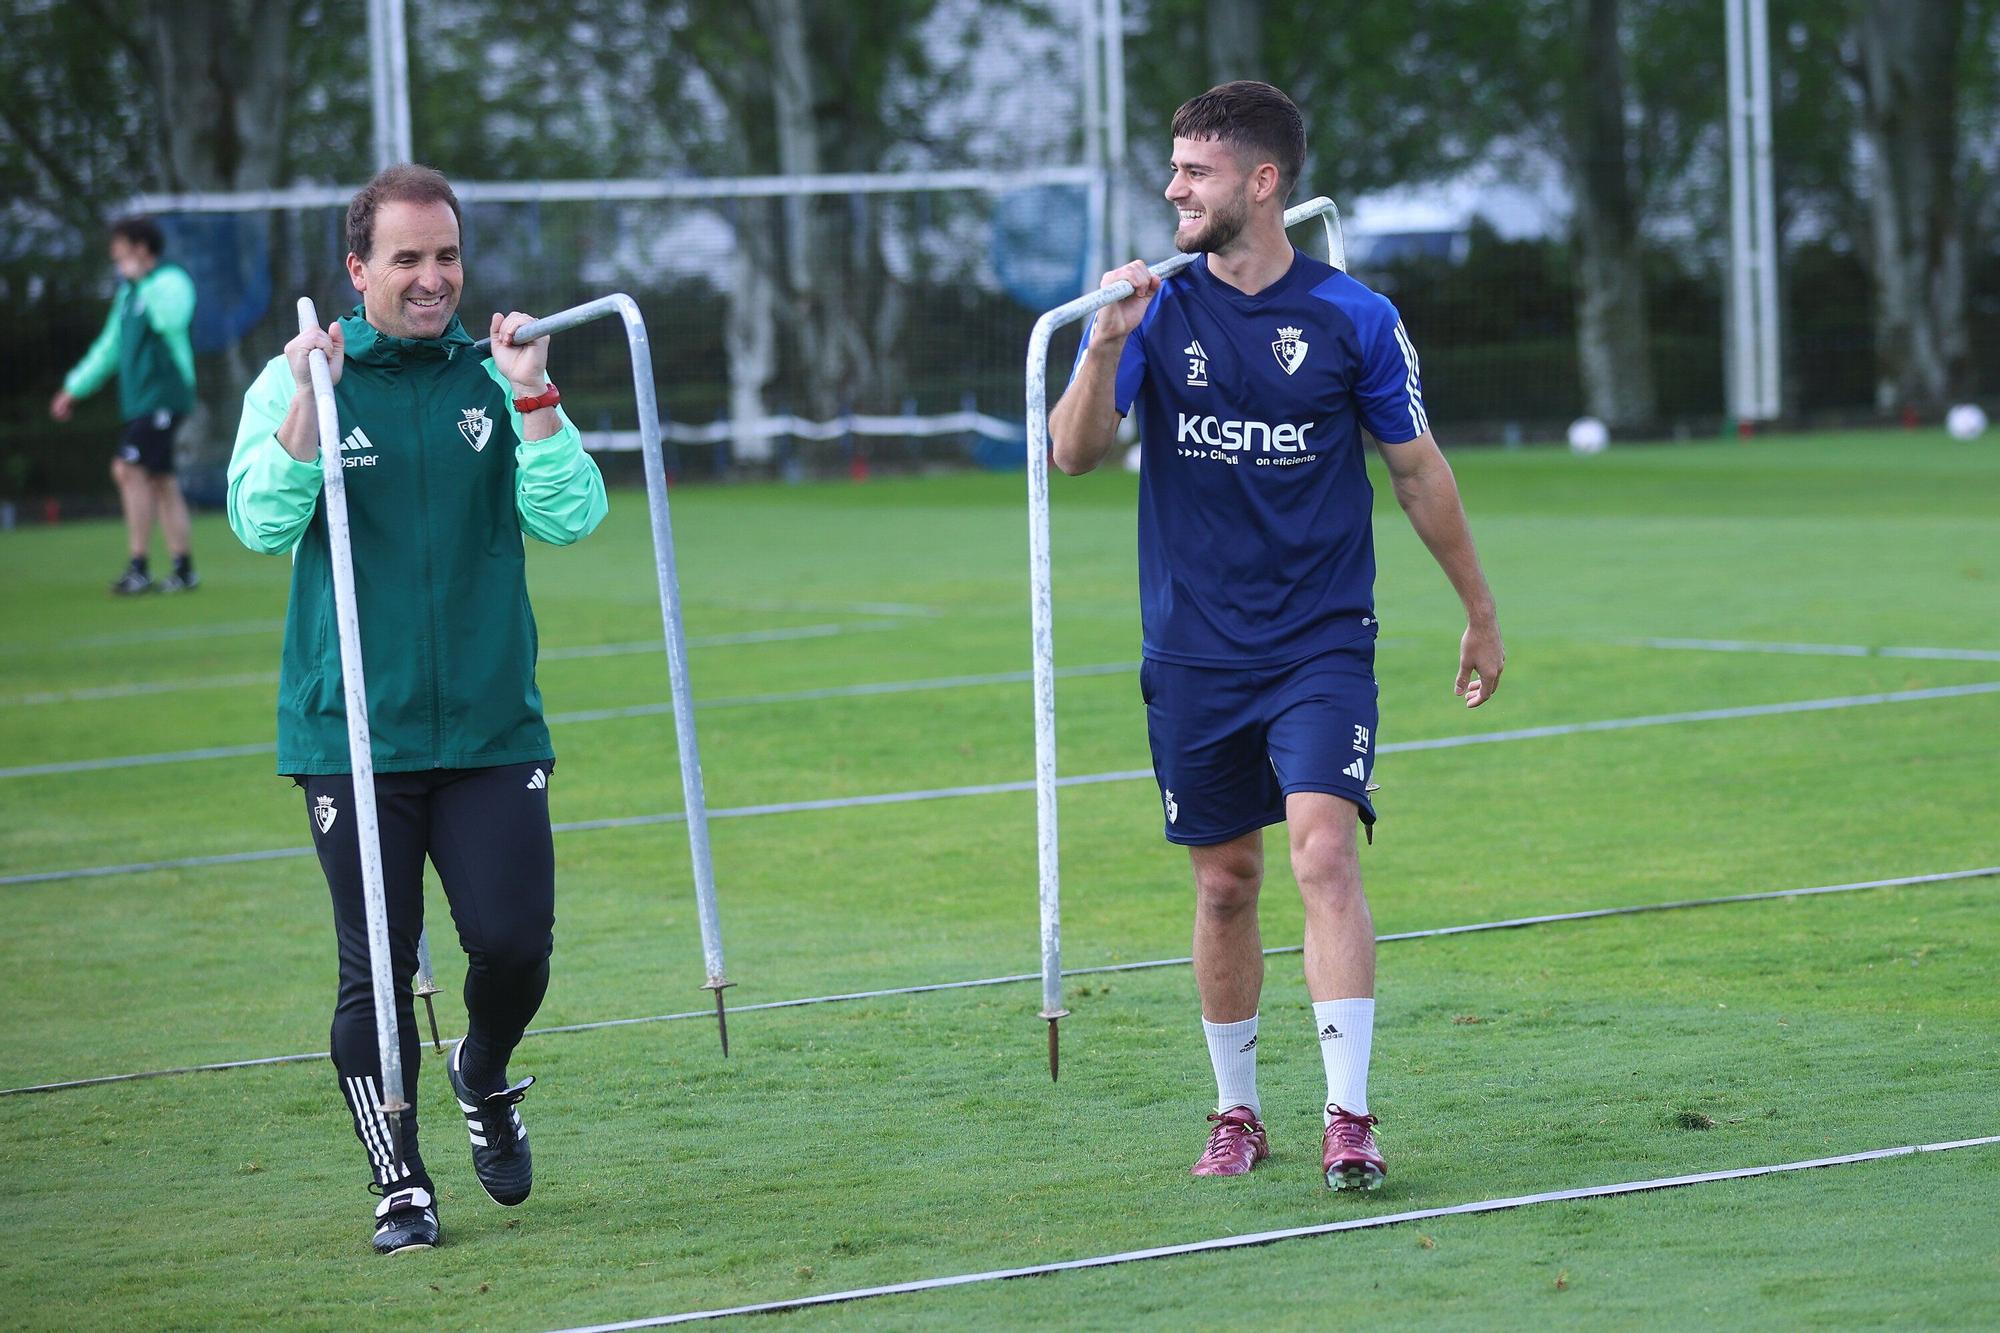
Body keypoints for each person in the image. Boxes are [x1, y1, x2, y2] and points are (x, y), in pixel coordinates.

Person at [1048, 82, 1503, 1191]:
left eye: (1193, 171)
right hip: (1192, 648)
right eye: (1172, 168)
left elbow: (1414, 471)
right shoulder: (1152, 308)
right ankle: (1236, 1112)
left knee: (1321, 847)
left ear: (1261, 182)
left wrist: (1477, 610)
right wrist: (1104, 345)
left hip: (1319, 641)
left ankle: (1347, 1114)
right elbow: (1073, 453)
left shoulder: (1353, 316)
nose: (1171, 190)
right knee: (1224, 885)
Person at [226, 164, 608, 1253]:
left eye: (446, 256)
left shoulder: (493, 373)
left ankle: (481, 1073)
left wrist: (533, 393)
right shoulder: (297, 377)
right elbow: (257, 523)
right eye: (407, 258)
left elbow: (572, 515)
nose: (432, 277)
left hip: (489, 726)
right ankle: (398, 1177)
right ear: (358, 270)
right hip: (351, 733)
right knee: (374, 971)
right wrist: (311, 397)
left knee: (513, 945)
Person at [49, 216, 201, 594]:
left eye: (121, 249)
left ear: (141, 248)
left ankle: (139, 567)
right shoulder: (127, 295)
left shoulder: (170, 282)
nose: (115, 257)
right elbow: (108, 349)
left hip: (165, 396)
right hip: (141, 402)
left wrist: (144, 282)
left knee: (127, 468)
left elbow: (172, 319)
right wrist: (73, 388)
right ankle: (183, 570)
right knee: (160, 479)